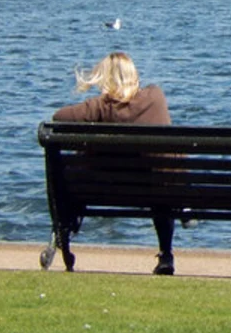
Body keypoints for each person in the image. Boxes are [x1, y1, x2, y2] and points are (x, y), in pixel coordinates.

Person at [53, 52, 176, 275]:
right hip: (159, 191)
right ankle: (166, 254)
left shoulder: (102, 107)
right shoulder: (155, 96)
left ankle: (65, 233)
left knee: (73, 168)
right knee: (161, 178)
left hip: (105, 189)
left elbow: (59, 116)